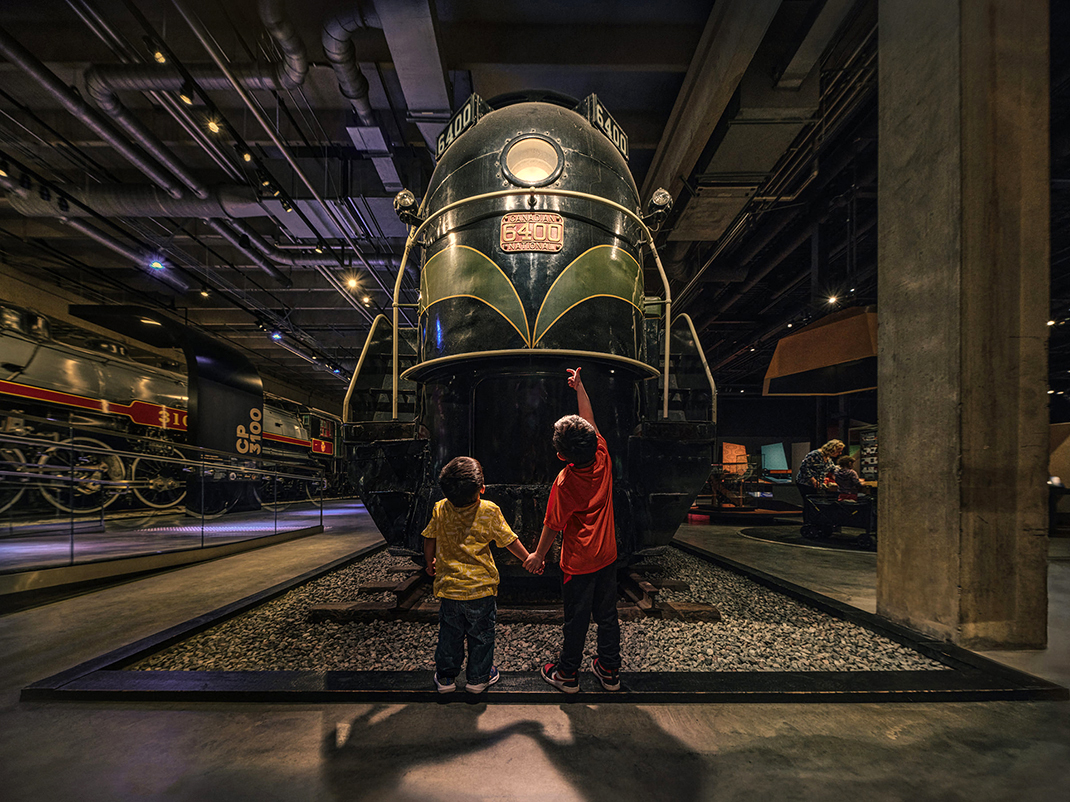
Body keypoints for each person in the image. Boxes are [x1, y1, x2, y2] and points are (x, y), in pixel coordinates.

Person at [524, 367, 621, 694]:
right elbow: (590, 420)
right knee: (607, 616)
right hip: (607, 556)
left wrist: (538, 555)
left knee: (576, 620)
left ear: (562, 456)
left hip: (578, 564)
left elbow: (553, 525)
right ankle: (609, 670)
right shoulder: (603, 454)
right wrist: (580, 388)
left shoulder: (565, 483)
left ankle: (567, 674)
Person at [422, 456, 533, 694]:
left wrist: (429, 563)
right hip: (481, 591)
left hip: (450, 590)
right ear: (482, 488)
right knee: (482, 636)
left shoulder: (440, 508)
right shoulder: (489, 510)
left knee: (449, 636)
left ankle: (446, 679)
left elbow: (429, 536)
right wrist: (528, 559)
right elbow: (509, 540)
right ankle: (478, 679)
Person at [795, 439, 845, 503]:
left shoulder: (828, 458)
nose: (840, 453)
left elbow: (833, 469)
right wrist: (813, 479)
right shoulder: (815, 454)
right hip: (806, 483)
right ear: (833, 449)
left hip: (818, 484)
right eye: (839, 451)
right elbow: (803, 467)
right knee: (809, 503)